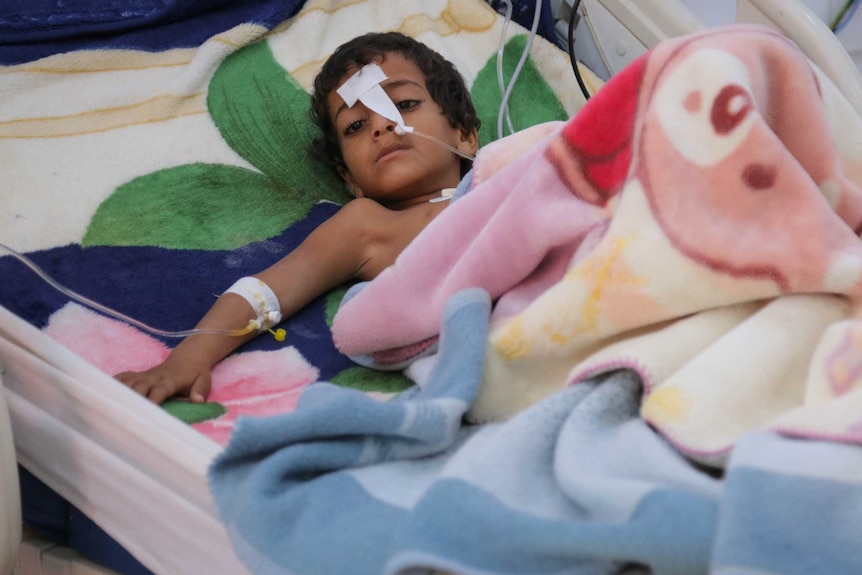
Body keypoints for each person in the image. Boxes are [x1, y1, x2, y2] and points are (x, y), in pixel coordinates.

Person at [115, 31, 480, 404]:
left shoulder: (506, 175)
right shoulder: (368, 227)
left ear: (465, 134)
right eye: (355, 125)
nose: (382, 125)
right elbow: (267, 290)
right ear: (350, 180)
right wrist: (188, 359)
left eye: (403, 103)